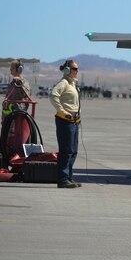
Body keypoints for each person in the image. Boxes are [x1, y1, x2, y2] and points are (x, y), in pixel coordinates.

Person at [50, 59, 81, 189]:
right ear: (67, 70)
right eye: (74, 69)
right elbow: (53, 96)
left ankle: (68, 177)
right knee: (66, 151)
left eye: (77, 69)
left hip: (74, 121)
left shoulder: (73, 84)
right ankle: (62, 180)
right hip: (65, 121)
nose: (76, 71)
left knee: (73, 151)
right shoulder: (63, 83)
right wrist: (63, 111)